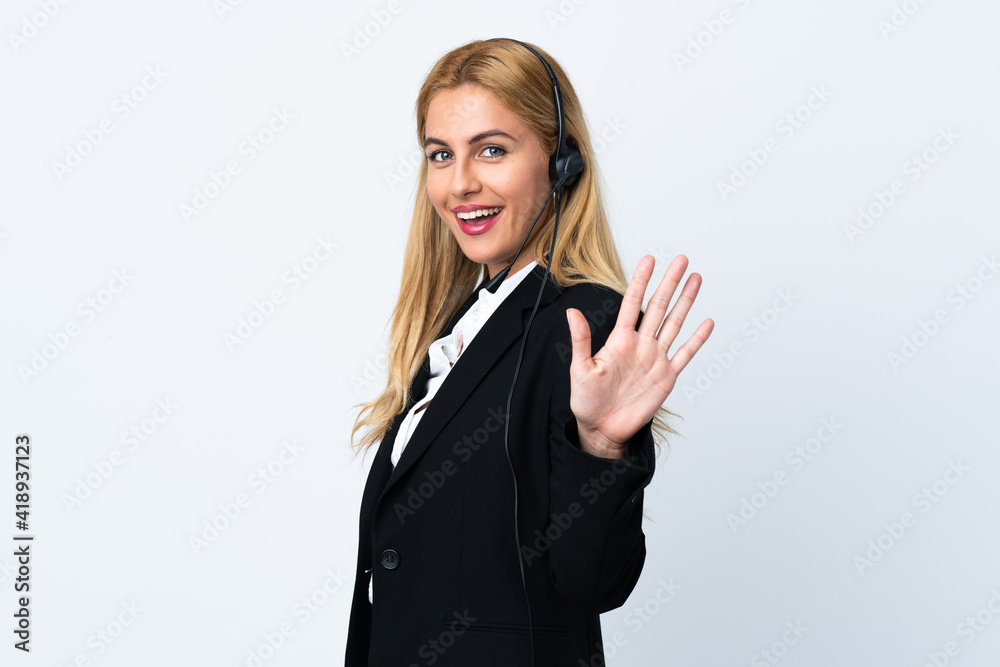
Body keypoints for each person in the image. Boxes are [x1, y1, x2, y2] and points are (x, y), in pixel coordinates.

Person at [345, 38, 714, 666]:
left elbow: (593, 582)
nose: (460, 183)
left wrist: (601, 445)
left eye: (492, 150)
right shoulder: (461, 328)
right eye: (441, 155)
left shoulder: (584, 324)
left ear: (560, 161)